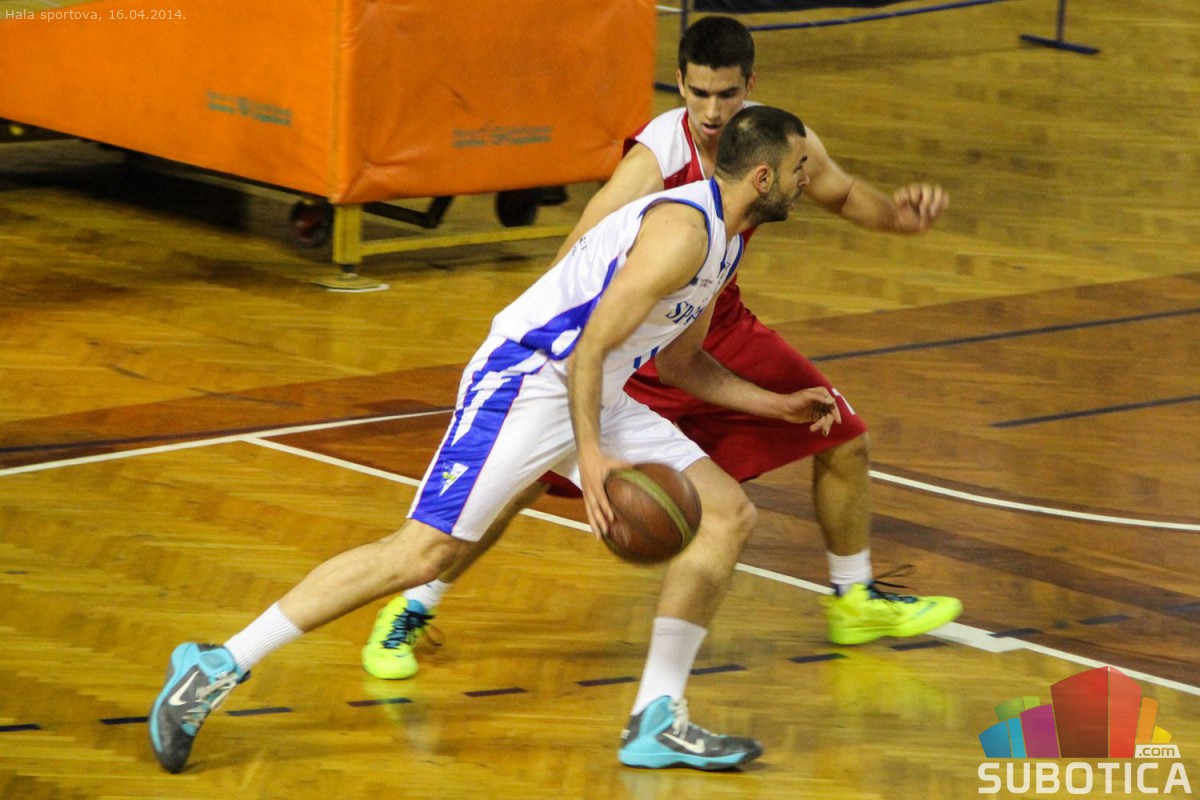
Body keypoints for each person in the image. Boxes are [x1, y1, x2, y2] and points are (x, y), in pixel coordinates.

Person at [150, 106, 842, 774]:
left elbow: (681, 364)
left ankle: (656, 717)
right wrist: (592, 457)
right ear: (762, 178)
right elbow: (590, 343)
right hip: (530, 377)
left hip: (597, 385)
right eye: (797, 169)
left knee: (727, 514)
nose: (805, 180)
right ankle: (217, 664)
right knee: (423, 552)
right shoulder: (682, 231)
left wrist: (776, 405)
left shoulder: (728, 239)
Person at [363, 15, 959, 683]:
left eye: (726, 95)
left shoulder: (777, 141)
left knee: (842, 433)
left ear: (750, 86)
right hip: (634, 338)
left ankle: (854, 598)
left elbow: (842, 193)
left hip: (714, 327)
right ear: (679, 84)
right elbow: (578, 249)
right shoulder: (655, 158)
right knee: (524, 480)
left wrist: (898, 217)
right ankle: (413, 604)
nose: (712, 112)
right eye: (698, 94)